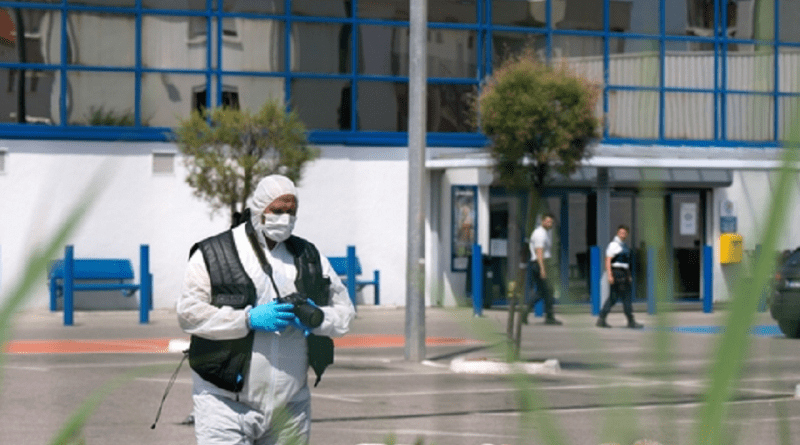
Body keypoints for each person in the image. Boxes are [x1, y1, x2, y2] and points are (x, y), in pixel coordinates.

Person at [176, 174, 355, 445]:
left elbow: (345, 313)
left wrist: (316, 318)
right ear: (260, 210)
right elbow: (188, 313)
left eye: (291, 211)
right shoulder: (214, 253)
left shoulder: (308, 256)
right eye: (278, 211)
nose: (285, 218)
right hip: (224, 405)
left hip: (290, 407)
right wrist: (246, 319)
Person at [596, 224, 643, 329]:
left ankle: (601, 318)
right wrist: (609, 275)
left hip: (623, 273)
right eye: (621, 232)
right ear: (618, 233)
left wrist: (628, 275)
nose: (623, 235)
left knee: (613, 298)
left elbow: (625, 263)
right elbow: (608, 260)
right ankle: (631, 321)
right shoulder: (614, 245)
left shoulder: (623, 245)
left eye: (625, 233)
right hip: (618, 273)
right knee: (626, 297)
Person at [524, 213, 562, 325]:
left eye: (551, 222)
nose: (550, 224)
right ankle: (546, 317)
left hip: (542, 263)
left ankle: (547, 317)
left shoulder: (543, 233)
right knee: (544, 292)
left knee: (545, 292)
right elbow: (539, 253)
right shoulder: (540, 234)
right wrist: (543, 269)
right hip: (541, 264)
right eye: (548, 221)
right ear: (542, 221)